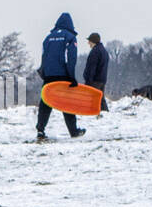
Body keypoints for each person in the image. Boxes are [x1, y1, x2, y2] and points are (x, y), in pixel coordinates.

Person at [35, 13, 85, 141]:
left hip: (49, 76)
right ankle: (73, 131)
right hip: (63, 75)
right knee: (67, 103)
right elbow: (71, 58)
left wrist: (44, 74)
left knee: (45, 103)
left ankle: (40, 130)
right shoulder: (70, 37)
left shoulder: (48, 38)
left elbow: (43, 57)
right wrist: (71, 77)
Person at [83, 32, 110, 114]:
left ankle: (94, 114)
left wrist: (88, 80)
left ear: (93, 41)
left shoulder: (95, 52)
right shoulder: (104, 51)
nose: (88, 43)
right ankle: (105, 113)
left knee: (94, 99)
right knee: (100, 98)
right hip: (102, 80)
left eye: (89, 41)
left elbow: (92, 67)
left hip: (94, 80)